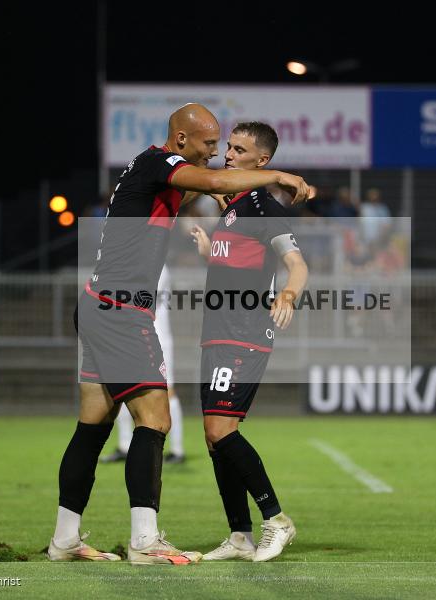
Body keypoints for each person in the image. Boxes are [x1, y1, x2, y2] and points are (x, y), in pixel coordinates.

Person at [49, 104, 314, 565]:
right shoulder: (161, 163)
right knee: (155, 419)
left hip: (96, 303)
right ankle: (145, 542)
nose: (217, 153)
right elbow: (213, 183)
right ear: (181, 141)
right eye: (211, 144)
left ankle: (65, 539)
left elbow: (217, 190)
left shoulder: (158, 174)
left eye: (228, 146)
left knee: (93, 425)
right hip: (122, 310)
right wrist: (277, 175)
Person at [190, 122, 308, 562]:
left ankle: (276, 520)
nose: (228, 155)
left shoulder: (263, 207)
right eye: (229, 147)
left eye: (239, 150)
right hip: (216, 332)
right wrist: (209, 250)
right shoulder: (233, 207)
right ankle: (239, 536)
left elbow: (297, 264)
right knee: (213, 438)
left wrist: (288, 295)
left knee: (222, 430)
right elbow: (237, 262)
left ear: (263, 161)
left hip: (245, 334)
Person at [99, 265, 186, 464]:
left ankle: (177, 450)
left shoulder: (157, 264)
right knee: (123, 386)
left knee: (167, 390)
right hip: (133, 337)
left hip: (157, 337)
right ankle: (125, 445)